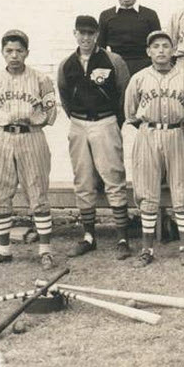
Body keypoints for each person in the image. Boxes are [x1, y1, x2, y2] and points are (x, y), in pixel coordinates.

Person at [0, 29, 57, 269]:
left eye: (19, 51)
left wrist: (34, 122)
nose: (14, 55)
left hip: (32, 136)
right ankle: (3, 250)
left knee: (38, 192)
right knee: (0, 192)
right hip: (3, 137)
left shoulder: (41, 79)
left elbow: (51, 112)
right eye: (9, 51)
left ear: (27, 52)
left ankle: (45, 251)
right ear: (2, 52)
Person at [58, 15, 131, 260]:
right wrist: (78, 118)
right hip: (79, 123)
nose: (86, 37)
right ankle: (89, 236)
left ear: (97, 34)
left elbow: (124, 93)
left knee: (113, 176)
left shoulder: (113, 60)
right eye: (82, 33)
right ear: (75, 33)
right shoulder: (67, 64)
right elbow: (65, 97)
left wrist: (113, 121)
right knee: (83, 179)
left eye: (90, 33)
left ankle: (122, 238)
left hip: (106, 121)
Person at [124, 30, 184, 267]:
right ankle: (147, 250)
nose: (161, 50)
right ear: (148, 51)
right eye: (155, 46)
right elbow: (130, 112)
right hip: (148, 133)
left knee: (183, 189)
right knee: (147, 191)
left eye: (166, 45)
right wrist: (149, 128)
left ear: (173, 50)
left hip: (178, 133)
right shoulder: (139, 78)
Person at [97, 0, 162, 76]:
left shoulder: (150, 15)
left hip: (145, 68)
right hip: (116, 67)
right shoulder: (106, 15)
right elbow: (100, 48)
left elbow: (158, 45)